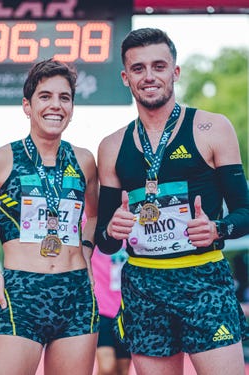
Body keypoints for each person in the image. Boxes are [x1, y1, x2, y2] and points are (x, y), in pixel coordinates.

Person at [95, 27, 249, 375]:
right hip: (144, 287)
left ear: (175, 72)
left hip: (204, 280)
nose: (149, 76)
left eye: (159, 66)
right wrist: (112, 229)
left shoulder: (212, 128)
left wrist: (217, 228)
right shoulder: (112, 146)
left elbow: (246, 212)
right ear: (125, 77)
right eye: (138, 69)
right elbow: (105, 242)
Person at [0, 59, 99, 375]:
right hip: (22, 295)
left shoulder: (84, 160)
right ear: (27, 105)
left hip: (76, 296)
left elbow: (95, 215)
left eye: (64, 97)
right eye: (45, 96)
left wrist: (85, 251)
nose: (55, 105)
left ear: (72, 107)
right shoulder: (1, 159)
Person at [91, 246, 131, 375]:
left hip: (127, 311)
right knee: (107, 367)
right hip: (102, 310)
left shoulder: (133, 234)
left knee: (122, 370)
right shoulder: (95, 231)